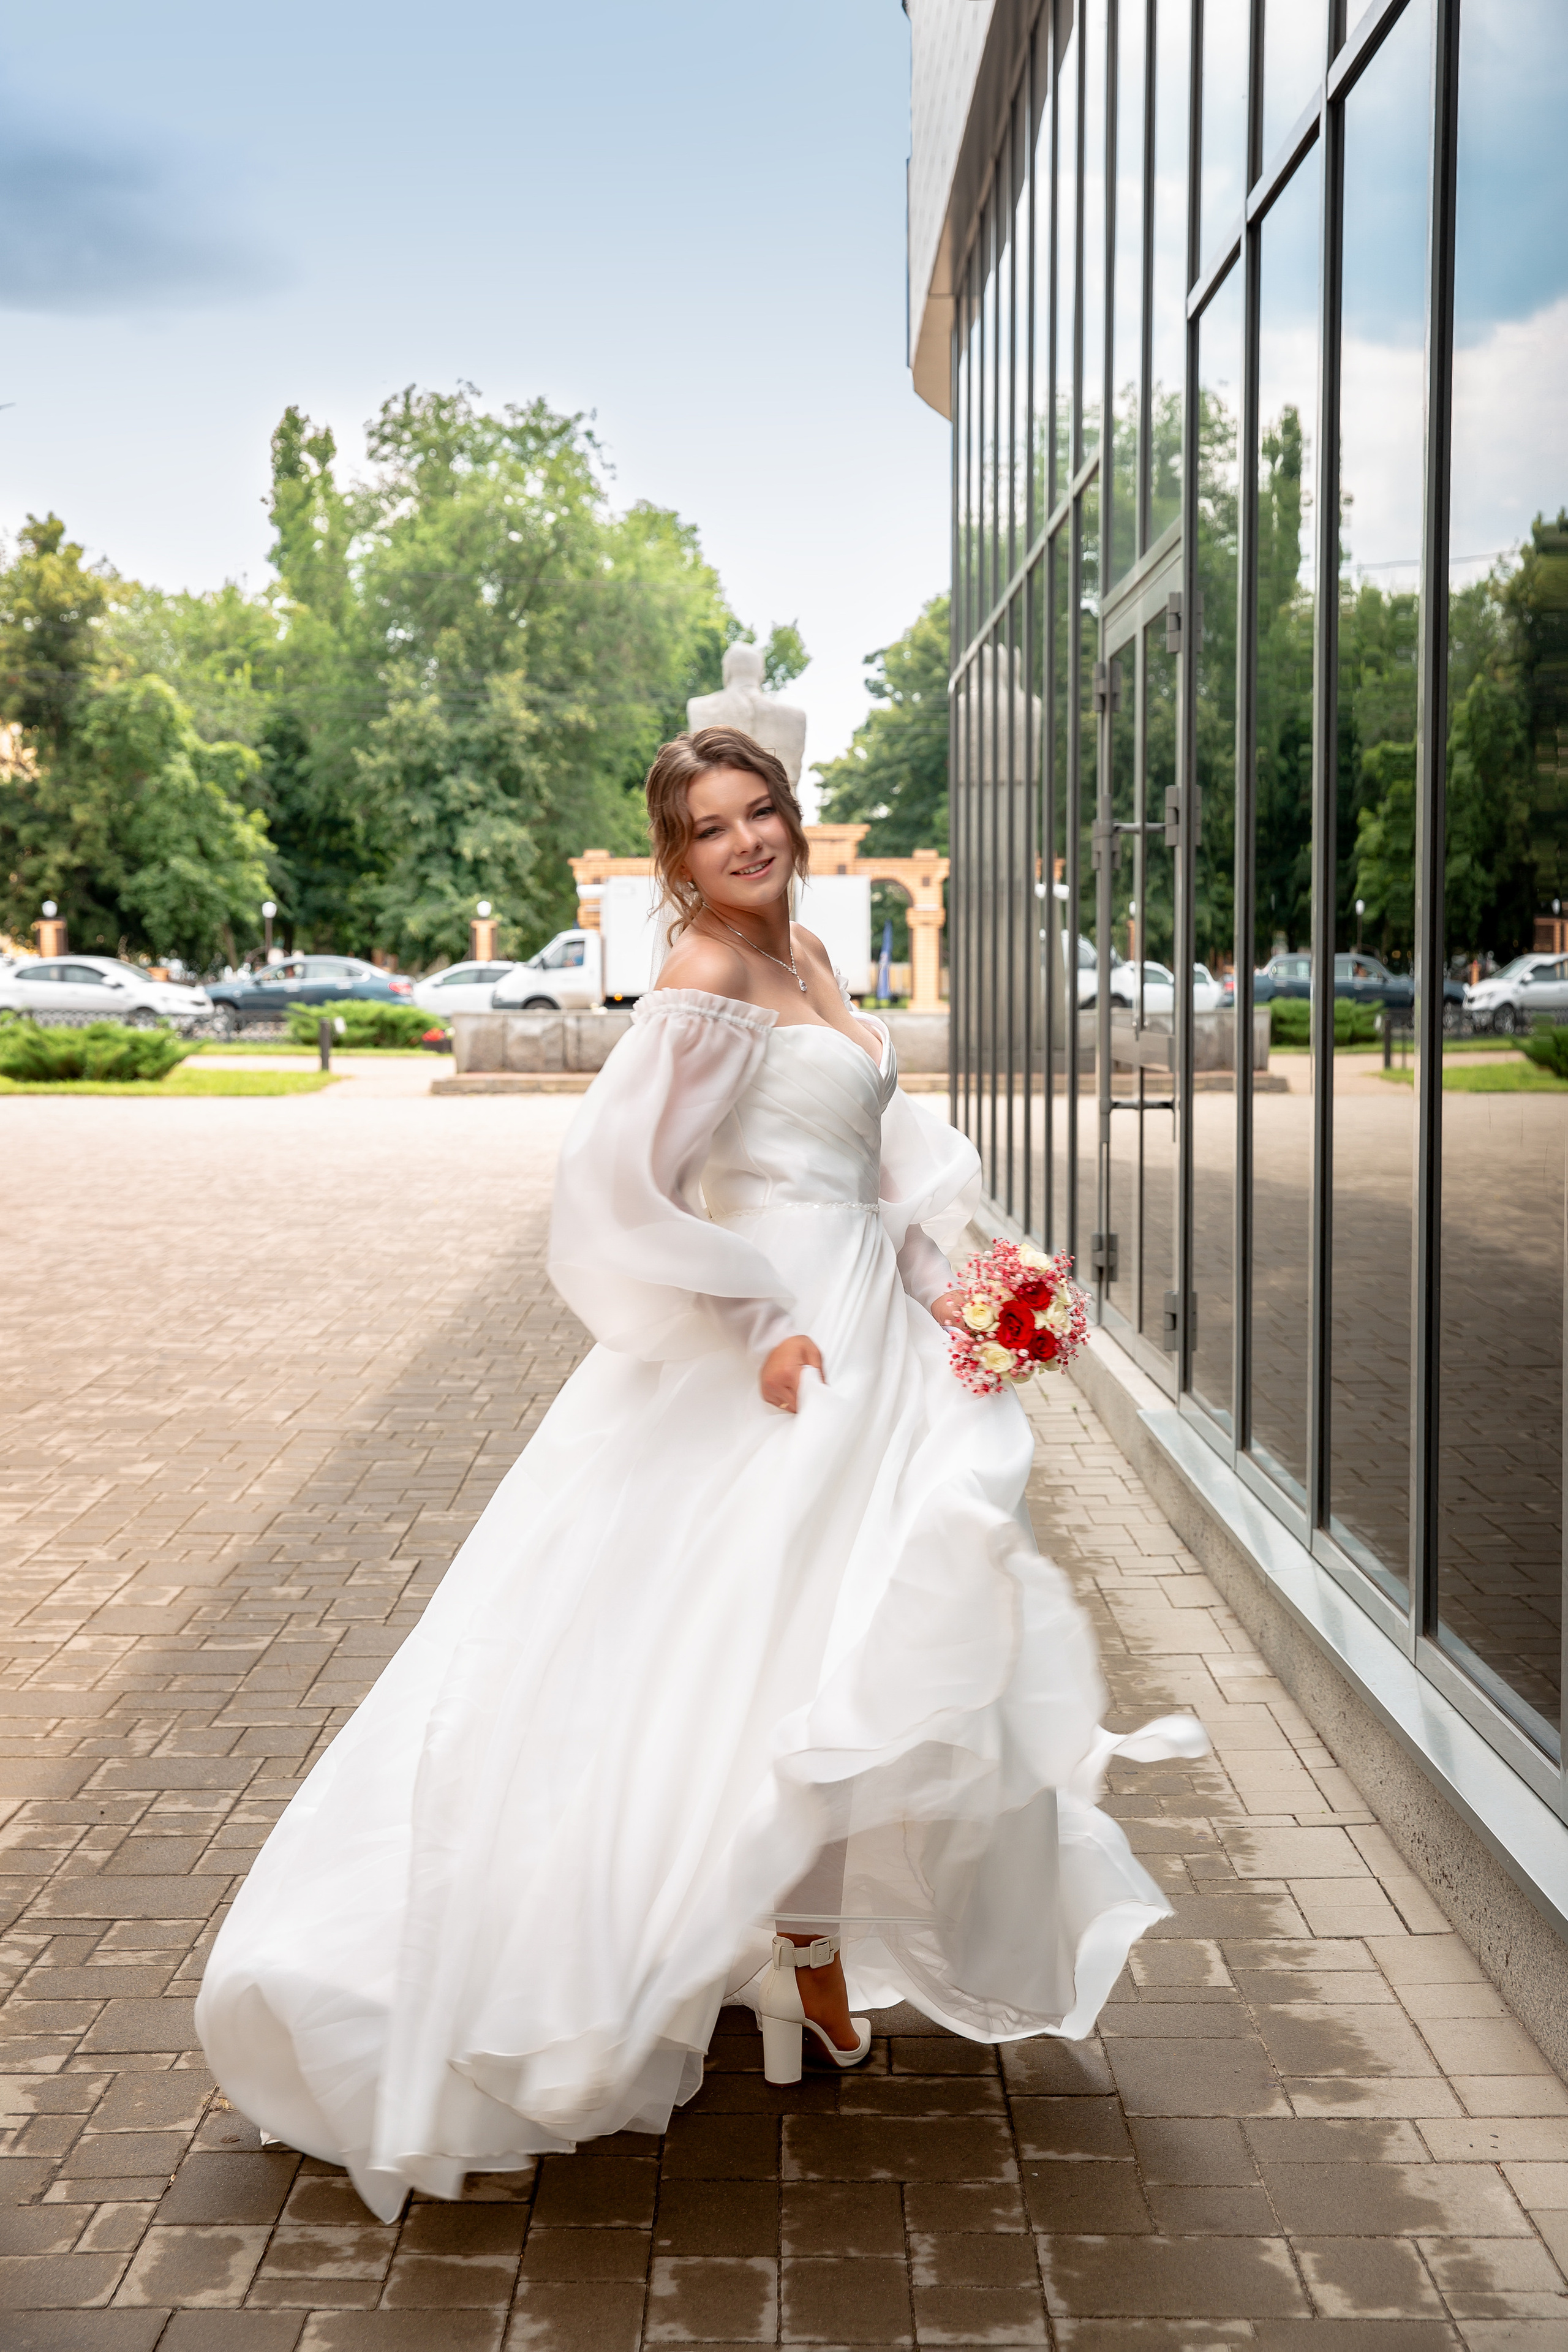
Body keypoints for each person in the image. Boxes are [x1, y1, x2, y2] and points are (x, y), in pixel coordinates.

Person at [195, 724, 1204, 2222]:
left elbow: (878, 1174)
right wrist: (756, 1323)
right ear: (673, 862)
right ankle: (754, 1957)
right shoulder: (706, 983)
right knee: (742, 1660)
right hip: (779, 1359)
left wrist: (978, 1295)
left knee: (855, 1647)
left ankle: (798, 1959)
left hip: (873, 1338)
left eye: (764, 812)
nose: (748, 840)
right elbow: (619, 1189)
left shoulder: (807, 960)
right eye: (714, 828)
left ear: (792, 821)